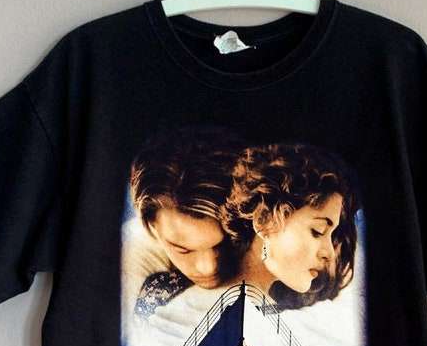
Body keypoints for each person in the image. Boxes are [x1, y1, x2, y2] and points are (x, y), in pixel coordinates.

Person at [125, 123, 249, 319]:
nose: (208, 267)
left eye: (223, 244)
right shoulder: (129, 254)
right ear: (152, 227)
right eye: (183, 250)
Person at [218, 141, 359, 310]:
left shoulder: (295, 315)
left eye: (331, 235)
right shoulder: (205, 307)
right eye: (318, 231)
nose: (329, 253)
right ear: (264, 220)